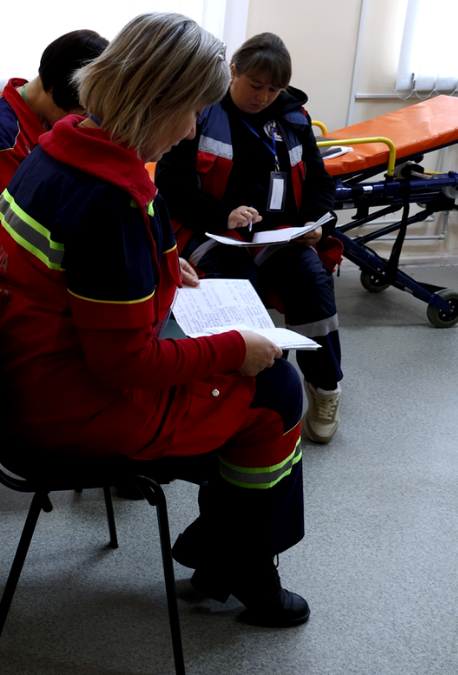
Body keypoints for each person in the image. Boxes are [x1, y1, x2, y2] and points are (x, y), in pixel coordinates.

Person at [0, 13, 310, 627]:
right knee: (277, 392)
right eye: (191, 113)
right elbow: (124, 362)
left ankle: (224, 556)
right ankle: (246, 569)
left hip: (25, 374)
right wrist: (235, 348)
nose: (189, 131)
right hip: (74, 404)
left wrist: (159, 266)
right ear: (155, 103)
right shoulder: (111, 199)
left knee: (261, 379)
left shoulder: (62, 145)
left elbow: (85, 270)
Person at [155, 33, 342, 444]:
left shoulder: (294, 118)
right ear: (233, 71)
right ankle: (251, 391)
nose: (263, 97)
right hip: (212, 232)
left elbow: (319, 181)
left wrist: (316, 224)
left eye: (273, 89)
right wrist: (224, 214)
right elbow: (170, 183)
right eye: (255, 85)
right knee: (239, 285)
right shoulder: (201, 111)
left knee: (311, 281)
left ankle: (325, 386)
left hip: (279, 236)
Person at [0, 30, 108, 292]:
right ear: (53, 88)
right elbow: (7, 231)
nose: (83, 120)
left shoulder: (37, 122)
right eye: (82, 110)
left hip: (5, 260)